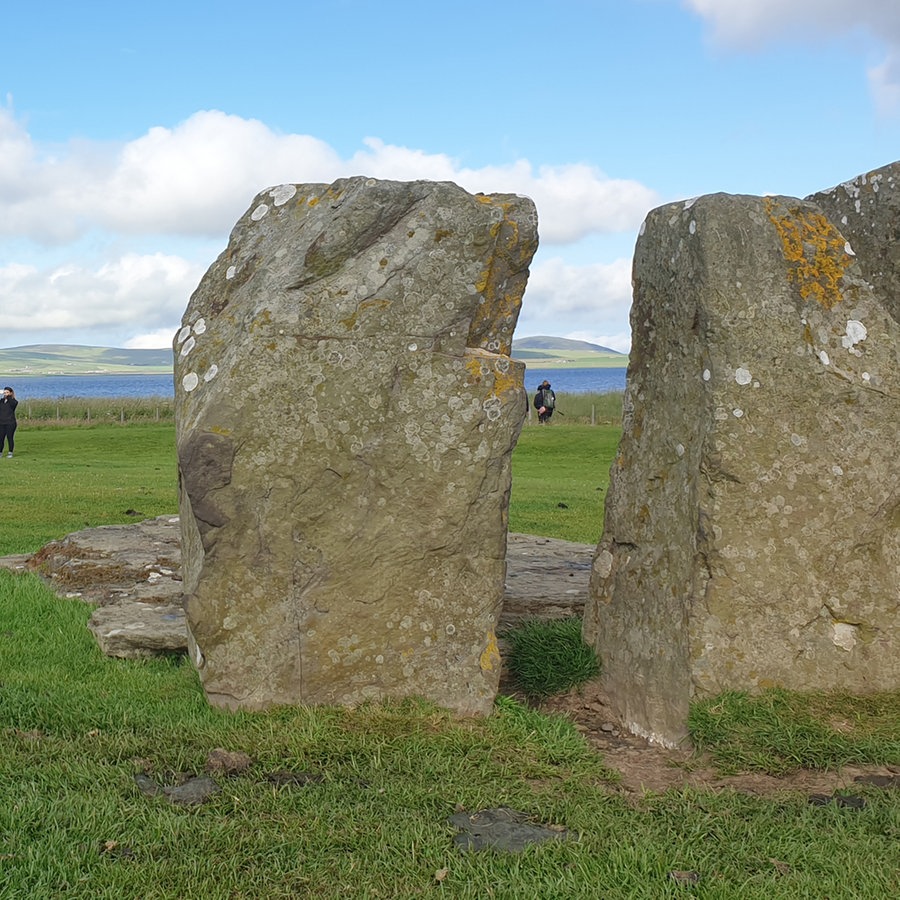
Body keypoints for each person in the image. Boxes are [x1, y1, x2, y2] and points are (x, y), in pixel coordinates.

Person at [0, 386, 18, 457]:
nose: (5, 394)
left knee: (10, 438)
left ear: (10, 393)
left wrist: (8, 397)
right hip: (1, 423)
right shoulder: (1, 401)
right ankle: (0, 452)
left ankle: (10, 452)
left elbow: (12, 403)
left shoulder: (14, 401)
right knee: (1, 438)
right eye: (4, 392)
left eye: (7, 392)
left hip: (10, 423)